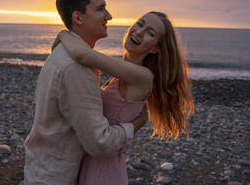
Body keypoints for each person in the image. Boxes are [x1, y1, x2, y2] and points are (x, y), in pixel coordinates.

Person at [23, 0, 147, 185]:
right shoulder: (76, 67)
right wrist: (137, 123)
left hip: (43, 170)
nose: (109, 16)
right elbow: (99, 143)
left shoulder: (66, 51)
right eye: (100, 9)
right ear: (78, 18)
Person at [56, 11, 194, 184]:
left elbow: (83, 55)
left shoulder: (143, 77)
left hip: (103, 170)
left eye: (150, 33)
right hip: (92, 159)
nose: (139, 31)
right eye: (140, 23)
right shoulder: (120, 74)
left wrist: (62, 34)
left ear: (155, 48)